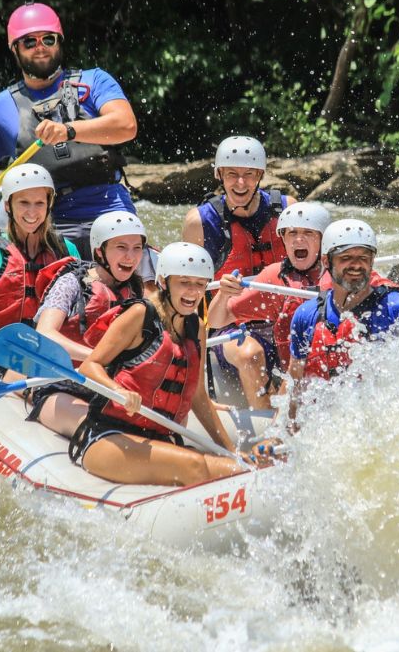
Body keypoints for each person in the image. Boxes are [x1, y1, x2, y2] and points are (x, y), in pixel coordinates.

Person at [32, 242, 269, 486]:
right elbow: (90, 366)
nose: (192, 292)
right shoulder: (139, 314)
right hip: (108, 437)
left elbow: (198, 396)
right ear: (164, 282)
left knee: (238, 467)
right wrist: (118, 391)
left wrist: (230, 450)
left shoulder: (196, 327)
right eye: (184, 282)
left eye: (199, 284)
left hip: (160, 437)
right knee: (197, 466)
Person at [0, 1, 149, 268]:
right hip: (46, 220)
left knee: (128, 271)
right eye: (29, 41)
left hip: (108, 209)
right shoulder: (0, 107)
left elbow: (126, 125)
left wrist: (67, 131)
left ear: (59, 42)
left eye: (48, 39)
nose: (40, 47)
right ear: (15, 49)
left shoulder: (95, 81)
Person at [0, 163, 79, 373]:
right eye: (24, 203)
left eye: (39, 203)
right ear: (8, 206)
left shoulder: (67, 250)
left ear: (49, 204)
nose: (32, 211)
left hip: (53, 357)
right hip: (2, 358)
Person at [205, 202, 331, 408]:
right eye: (292, 233)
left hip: (310, 353)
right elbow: (218, 320)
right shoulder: (274, 276)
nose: (298, 239)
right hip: (269, 345)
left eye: (308, 232)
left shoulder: (341, 273)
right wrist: (223, 294)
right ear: (284, 239)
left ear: (323, 239)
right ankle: (265, 416)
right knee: (250, 354)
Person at [288, 219, 399, 385]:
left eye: (363, 258)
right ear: (326, 262)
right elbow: (295, 389)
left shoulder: (398, 308)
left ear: (372, 261)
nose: (356, 265)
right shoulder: (307, 314)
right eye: (345, 258)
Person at [34, 211, 146, 364]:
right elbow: (44, 334)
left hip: (103, 379)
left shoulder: (135, 290)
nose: (131, 257)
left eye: (137, 248)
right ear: (100, 251)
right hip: (60, 377)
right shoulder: (72, 283)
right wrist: (97, 359)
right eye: (121, 247)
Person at [182, 135, 293, 280]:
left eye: (249, 174)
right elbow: (188, 287)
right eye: (232, 174)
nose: (241, 183)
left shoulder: (287, 209)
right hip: (225, 302)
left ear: (260, 175)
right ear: (219, 174)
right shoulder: (198, 223)